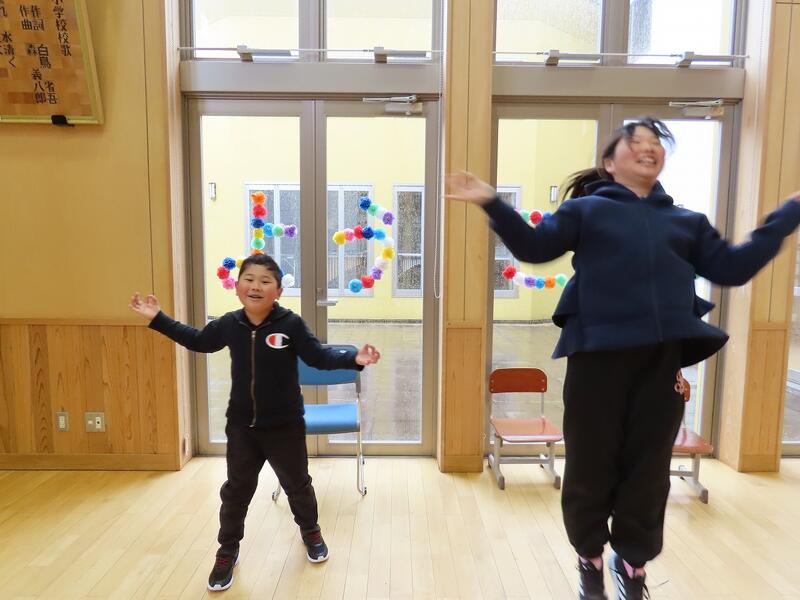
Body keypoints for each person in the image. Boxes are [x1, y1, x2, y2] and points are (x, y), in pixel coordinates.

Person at [446, 117, 800, 600]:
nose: (648, 148)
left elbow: (734, 268)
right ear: (610, 163)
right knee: (590, 465)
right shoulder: (586, 210)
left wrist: (788, 215)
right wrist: (491, 201)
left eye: (656, 143)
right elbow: (533, 247)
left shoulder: (687, 223)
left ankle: (632, 564)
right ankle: (589, 558)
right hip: (596, 359)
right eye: (635, 142)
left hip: (661, 363)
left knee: (648, 471)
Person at [129, 253, 380, 592]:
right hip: (242, 427)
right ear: (237, 287)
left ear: (278, 291)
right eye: (249, 279)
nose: (256, 286)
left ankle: (311, 532)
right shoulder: (229, 324)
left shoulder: (290, 324)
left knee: (298, 485)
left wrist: (354, 359)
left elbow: (318, 356)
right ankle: (227, 551)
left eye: (265, 281)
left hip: (285, 425)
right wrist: (158, 319)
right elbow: (199, 341)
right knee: (236, 491)